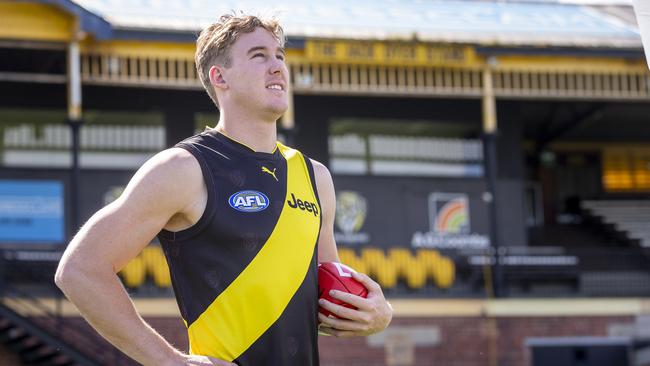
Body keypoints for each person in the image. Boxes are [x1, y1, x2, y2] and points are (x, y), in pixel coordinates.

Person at [55, 13, 392, 366]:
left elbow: (328, 301)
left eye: (280, 56)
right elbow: (79, 269)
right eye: (259, 55)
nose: (277, 67)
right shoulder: (184, 168)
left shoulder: (314, 176)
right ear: (220, 77)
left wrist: (377, 315)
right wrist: (171, 362)